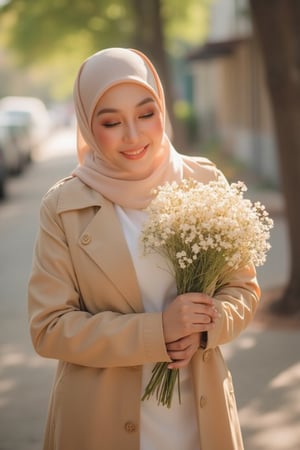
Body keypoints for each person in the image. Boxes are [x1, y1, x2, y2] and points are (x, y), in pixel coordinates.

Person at [28, 47, 260, 450]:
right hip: (98, 423)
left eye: (146, 114)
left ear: (163, 108)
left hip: (201, 422)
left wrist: (209, 325)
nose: (133, 136)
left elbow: (243, 290)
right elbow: (48, 328)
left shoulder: (204, 181)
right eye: (112, 122)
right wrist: (158, 331)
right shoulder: (64, 206)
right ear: (87, 124)